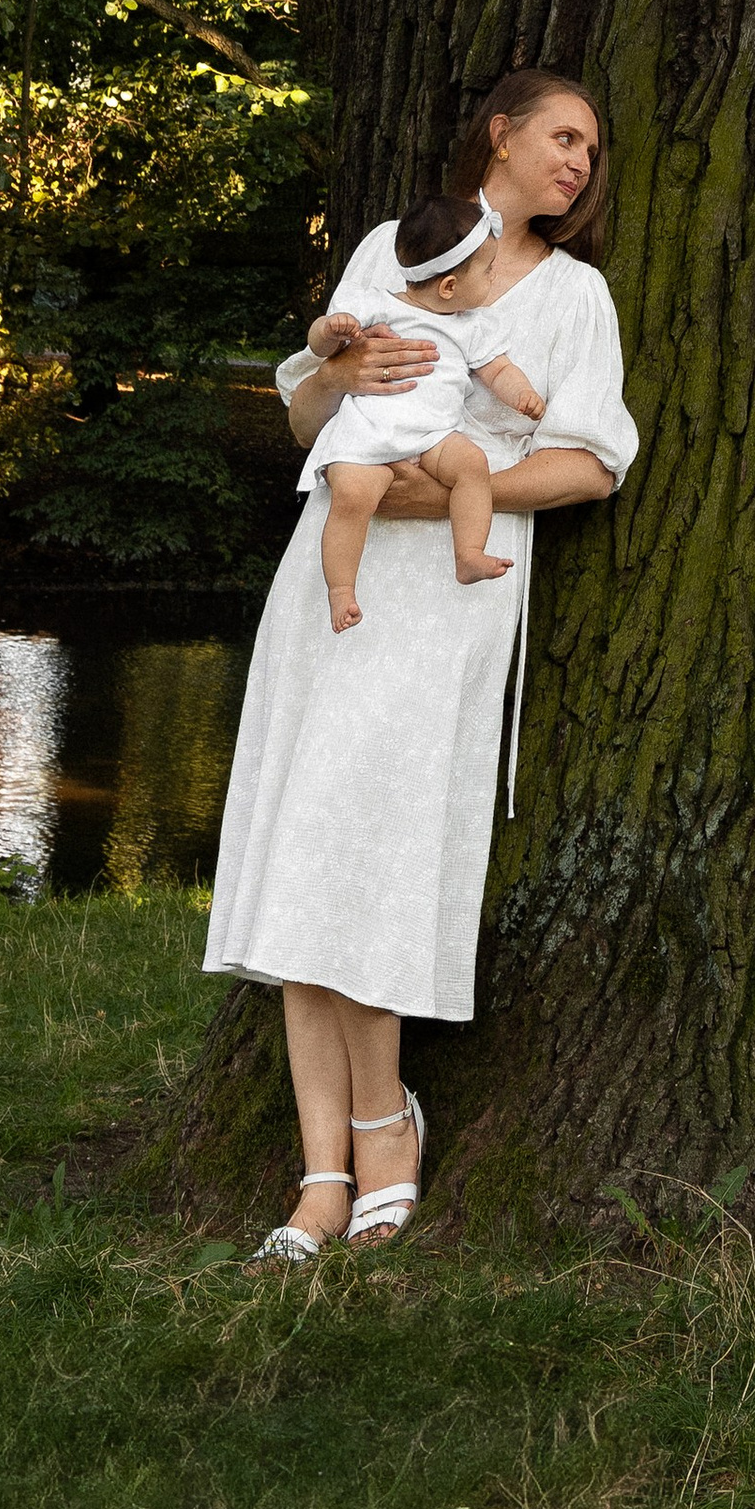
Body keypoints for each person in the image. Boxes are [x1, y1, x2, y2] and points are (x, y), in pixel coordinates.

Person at [204, 70, 638, 1259]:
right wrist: (342, 380)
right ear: (499, 136)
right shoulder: (392, 251)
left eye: (590, 152)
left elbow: (593, 461)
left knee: (377, 849)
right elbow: (304, 420)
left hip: (451, 589)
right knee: (304, 841)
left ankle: (384, 1122)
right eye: (562, 137)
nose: (577, 164)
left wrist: (453, 489)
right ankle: (319, 1171)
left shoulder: (574, 298)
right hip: (329, 584)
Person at [302, 193, 549, 615]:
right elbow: (320, 344)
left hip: (435, 436)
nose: (494, 278)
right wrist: (330, 330)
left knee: (472, 465)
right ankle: (341, 590)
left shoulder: (473, 326)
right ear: (450, 286)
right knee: (353, 499)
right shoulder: (379, 304)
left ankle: (468, 552)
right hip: (369, 433)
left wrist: (522, 394)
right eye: (488, 271)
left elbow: (499, 370)